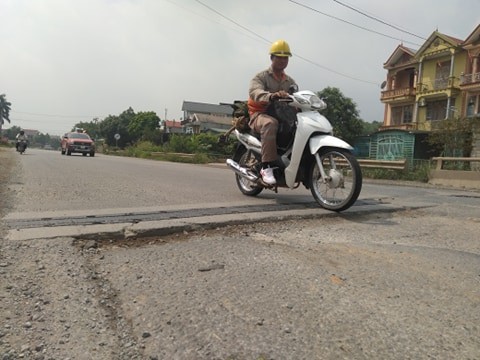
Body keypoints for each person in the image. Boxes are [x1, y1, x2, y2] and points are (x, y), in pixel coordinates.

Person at [247, 39, 297, 185]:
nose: (282, 60)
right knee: (270, 123)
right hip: (260, 115)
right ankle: (266, 167)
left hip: (283, 116)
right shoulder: (261, 77)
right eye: (279, 57)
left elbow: (297, 96)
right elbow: (254, 92)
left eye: (285, 57)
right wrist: (271, 96)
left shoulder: (290, 81)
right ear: (272, 58)